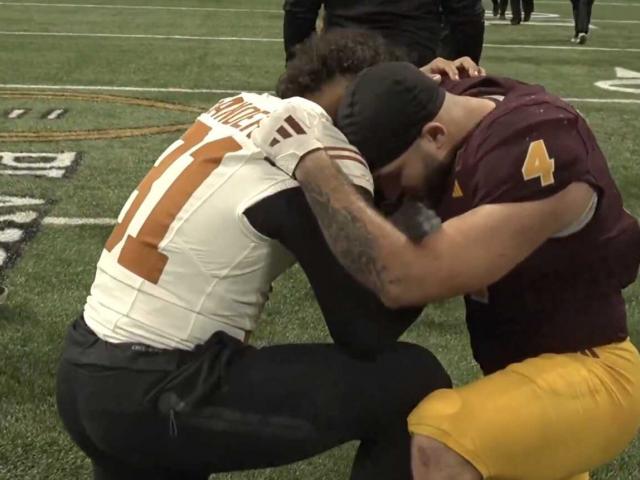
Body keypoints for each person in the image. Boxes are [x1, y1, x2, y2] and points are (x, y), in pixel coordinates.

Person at [56, 33, 486, 480]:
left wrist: (410, 91)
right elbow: (366, 329)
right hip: (158, 394)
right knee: (412, 379)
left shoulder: (240, 106)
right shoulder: (321, 147)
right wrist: (423, 220)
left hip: (84, 369)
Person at [252, 61, 640, 480]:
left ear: (435, 136)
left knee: (440, 438)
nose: (393, 197)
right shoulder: (455, 110)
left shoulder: (540, 145)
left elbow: (405, 277)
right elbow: (401, 88)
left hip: (593, 370)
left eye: (395, 179)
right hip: (526, 380)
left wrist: (311, 163)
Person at [283, 0, 485, 67]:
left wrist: (302, 70)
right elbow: (467, 17)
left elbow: (299, 12)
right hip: (415, 65)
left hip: (343, 63)